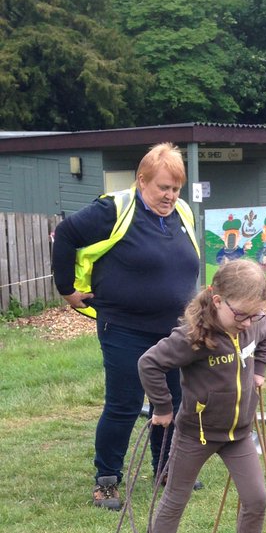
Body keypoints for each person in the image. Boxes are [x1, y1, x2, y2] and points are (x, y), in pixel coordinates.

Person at [51, 143, 201, 511]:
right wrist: (67, 289)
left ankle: (165, 468)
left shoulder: (182, 212)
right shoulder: (115, 209)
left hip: (173, 329)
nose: (170, 195)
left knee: (173, 401)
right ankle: (107, 480)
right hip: (124, 328)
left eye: (176, 188)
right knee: (125, 404)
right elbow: (66, 234)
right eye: (163, 187)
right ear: (142, 180)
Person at [136, 260, 266, 533]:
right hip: (195, 433)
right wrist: (163, 407)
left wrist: (259, 369)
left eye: (253, 315)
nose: (246, 323)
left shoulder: (255, 324)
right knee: (175, 498)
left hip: (238, 434)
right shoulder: (193, 338)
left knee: (257, 496)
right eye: (240, 315)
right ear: (217, 300)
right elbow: (149, 363)